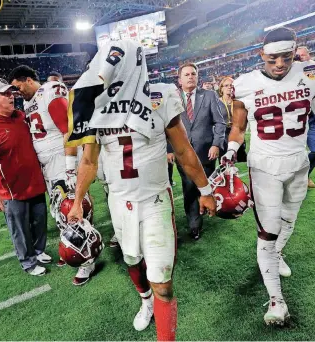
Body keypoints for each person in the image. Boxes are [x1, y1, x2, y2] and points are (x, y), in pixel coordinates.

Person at [66, 40, 216, 341]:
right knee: (132, 260)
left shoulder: (160, 96)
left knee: (163, 281)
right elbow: (89, 160)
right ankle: (145, 301)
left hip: (155, 199)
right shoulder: (95, 102)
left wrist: (205, 188)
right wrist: (77, 200)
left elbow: (184, 151)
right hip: (120, 201)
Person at [222, 27, 315, 325]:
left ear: (295, 51)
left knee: (289, 220)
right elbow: (239, 126)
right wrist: (232, 150)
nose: (280, 64)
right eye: (273, 59)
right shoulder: (246, 84)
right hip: (264, 166)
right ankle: (276, 301)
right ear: (261, 56)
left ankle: (276, 255)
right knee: (268, 231)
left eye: (286, 57)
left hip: (298, 163)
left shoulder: (310, 73)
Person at [8, 65, 93, 285]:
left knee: (72, 207)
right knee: (58, 210)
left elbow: (68, 129)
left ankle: (87, 259)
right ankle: (71, 245)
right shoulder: (29, 101)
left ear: (28, 80)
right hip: (47, 163)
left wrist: (70, 166)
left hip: (60, 157)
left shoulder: (50, 91)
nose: (18, 94)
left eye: (18, 87)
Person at [0, 78, 49, 277]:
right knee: (20, 230)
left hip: (35, 183)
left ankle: (38, 252)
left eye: (11, 92)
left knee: (40, 222)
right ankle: (28, 262)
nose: (11, 96)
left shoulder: (19, 116)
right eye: (5, 94)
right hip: (12, 191)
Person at [175, 63, 226, 240]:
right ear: (179, 79)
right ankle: (194, 223)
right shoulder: (172, 98)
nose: (190, 77)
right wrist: (169, 150)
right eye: (187, 74)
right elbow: (165, 126)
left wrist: (216, 144)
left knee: (206, 185)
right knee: (189, 187)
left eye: (193, 74)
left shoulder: (209, 95)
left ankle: (205, 206)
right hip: (182, 154)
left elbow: (220, 122)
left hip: (206, 152)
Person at [295, 46, 315, 189]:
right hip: (292, 122)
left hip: (311, 120)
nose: (300, 58)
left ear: (309, 55)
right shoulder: (288, 72)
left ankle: (305, 174)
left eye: (302, 55)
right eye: (297, 56)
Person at [218, 76, 247, 162]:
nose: (229, 87)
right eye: (226, 85)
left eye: (232, 85)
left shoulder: (240, 102)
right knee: (225, 162)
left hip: (237, 132)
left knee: (241, 160)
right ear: (221, 89)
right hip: (223, 135)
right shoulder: (216, 102)